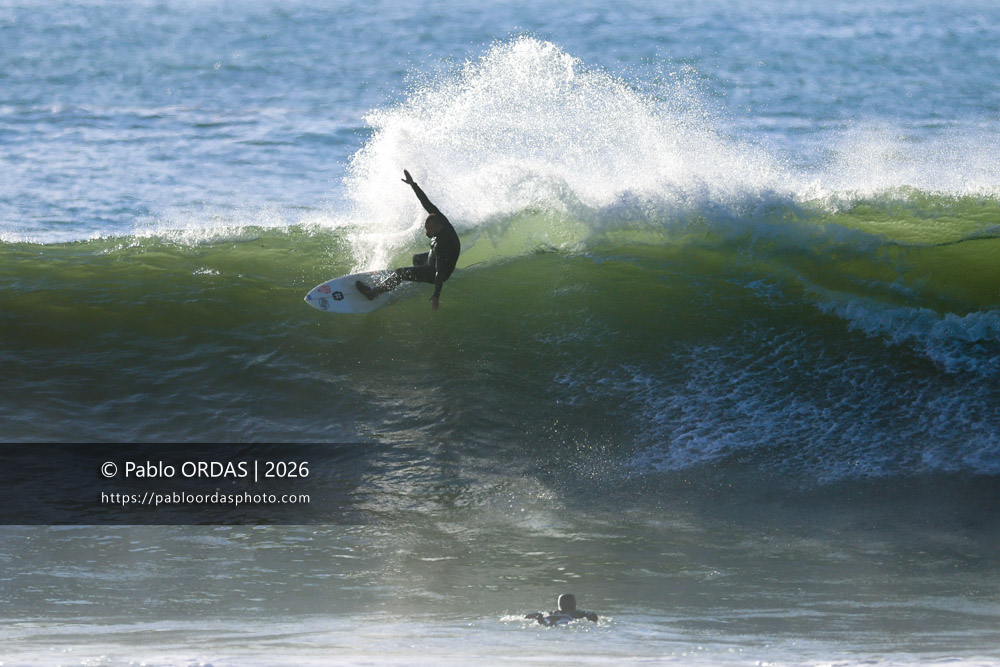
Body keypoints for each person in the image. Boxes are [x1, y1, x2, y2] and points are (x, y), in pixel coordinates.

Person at [356, 169, 461, 311]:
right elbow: (427, 203)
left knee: (400, 273)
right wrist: (413, 184)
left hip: (438, 270)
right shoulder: (441, 221)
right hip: (436, 260)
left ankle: (372, 292)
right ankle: (415, 278)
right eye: (426, 228)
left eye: (429, 230)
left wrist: (436, 295)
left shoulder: (442, 245)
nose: (426, 232)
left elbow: (440, 272)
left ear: (438, 228)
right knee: (417, 259)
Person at [525, 593, 599, 626]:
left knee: (547, 621)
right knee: (561, 623)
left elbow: (531, 615)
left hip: (550, 617)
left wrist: (535, 615)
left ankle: (543, 622)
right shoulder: (577, 613)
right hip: (566, 618)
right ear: (574, 603)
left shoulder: (553, 612)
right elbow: (592, 616)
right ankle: (551, 624)